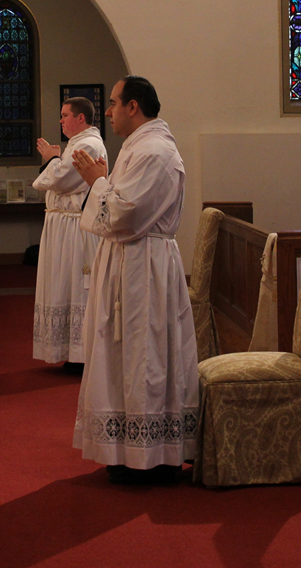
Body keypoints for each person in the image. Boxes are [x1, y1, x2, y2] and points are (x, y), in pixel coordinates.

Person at [69, 76, 197, 484]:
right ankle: (128, 449)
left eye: (112, 103)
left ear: (133, 107)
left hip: (144, 268)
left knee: (146, 356)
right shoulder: (140, 146)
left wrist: (96, 182)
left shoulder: (155, 151)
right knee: (128, 353)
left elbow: (125, 215)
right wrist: (102, 183)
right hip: (131, 262)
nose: (107, 112)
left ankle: (150, 458)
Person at [31, 97, 108, 370]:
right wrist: (55, 159)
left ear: (81, 118)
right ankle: (69, 350)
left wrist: (52, 159)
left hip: (76, 228)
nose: (61, 120)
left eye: (65, 115)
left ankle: (81, 354)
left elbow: (59, 181)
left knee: (77, 286)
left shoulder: (88, 144)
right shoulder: (76, 144)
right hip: (62, 226)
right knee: (63, 285)